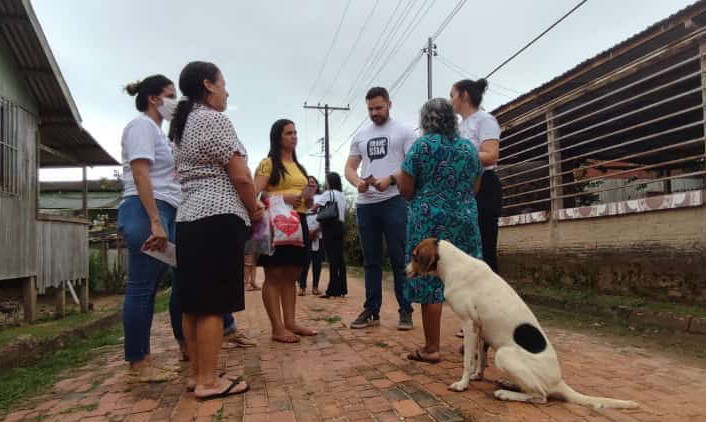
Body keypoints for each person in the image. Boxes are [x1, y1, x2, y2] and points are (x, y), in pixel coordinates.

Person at [170, 61, 263, 399]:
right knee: (212, 303)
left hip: (189, 218)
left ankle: (198, 374)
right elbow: (240, 176)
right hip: (218, 216)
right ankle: (210, 382)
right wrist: (254, 209)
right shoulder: (214, 119)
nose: (227, 91)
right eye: (223, 84)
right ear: (208, 85)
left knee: (193, 303)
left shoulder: (184, 124)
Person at [398, 98, 484, 364]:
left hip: (428, 222)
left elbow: (406, 188)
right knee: (472, 281)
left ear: (425, 120)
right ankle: (477, 345)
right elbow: (476, 187)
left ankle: (432, 348)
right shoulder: (469, 148)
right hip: (464, 219)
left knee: (429, 281)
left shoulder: (421, 147)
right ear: (452, 119)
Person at [118, 74, 181, 383]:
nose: (175, 101)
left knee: (151, 287)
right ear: (155, 98)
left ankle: (144, 357)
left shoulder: (157, 132)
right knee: (142, 287)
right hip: (146, 210)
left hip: (161, 209)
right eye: (171, 95)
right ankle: (138, 362)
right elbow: (141, 173)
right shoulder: (141, 126)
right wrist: (155, 220)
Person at [344, 87, 415, 330]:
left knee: (399, 258)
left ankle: (406, 310)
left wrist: (391, 179)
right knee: (371, 260)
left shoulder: (404, 131)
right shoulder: (361, 134)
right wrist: (358, 183)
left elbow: (412, 165)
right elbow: (350, 168)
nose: (374, 113)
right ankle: (371, 309)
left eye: (378, 107)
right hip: (367, 205)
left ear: (389, 104)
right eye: (370, 109)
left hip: (394, 201)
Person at [255, 119, 318, 343]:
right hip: (275, 224)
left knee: (292, 274)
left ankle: (290, 322)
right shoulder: (268, 164)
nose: (294, 136)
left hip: (298, 222)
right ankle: (277, 328)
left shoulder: (299, 167)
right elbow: (256, 194)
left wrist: (309, 197)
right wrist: (283, 197)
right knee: (274, 274)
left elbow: (305, 203)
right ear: (278, 137)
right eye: (289, 133)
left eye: (295, 132)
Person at [450, 79, 502, 273]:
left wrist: (458, 156)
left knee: (485, 251)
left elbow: (491, 155)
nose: (450, 100)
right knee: (466, 252)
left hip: (485, 188)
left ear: (464, 96)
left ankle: (493, 301)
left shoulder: (485, 120)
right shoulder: (460, 127)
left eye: (452, 95)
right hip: (464, 190)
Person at [314, 172, 348, 298]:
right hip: (340, 226)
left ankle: (332, 290)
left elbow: (315, 207)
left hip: (330, 226)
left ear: (330, 182)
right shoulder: (342, 195)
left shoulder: (328, 193)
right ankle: (342, 288)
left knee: (332, 258)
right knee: (339, 258)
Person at [298, 176, 323, 296]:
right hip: (305, 232)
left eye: (313, 183)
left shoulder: (323, 198)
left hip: (318, 233)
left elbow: (325, 215)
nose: (311, 184)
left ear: (317, 185)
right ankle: (302, 287)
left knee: (317, 263)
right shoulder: (302, 197)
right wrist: (306, 232)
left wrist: (317, 230)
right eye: (309, 183)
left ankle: (315, 287)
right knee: (304, 262)